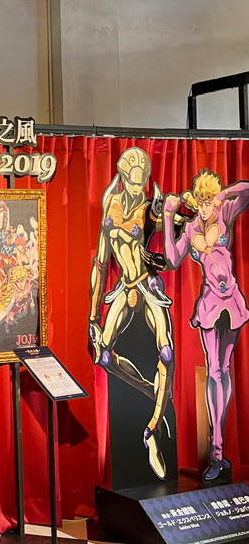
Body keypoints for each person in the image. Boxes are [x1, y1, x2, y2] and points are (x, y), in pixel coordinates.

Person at [89, 147, 175, 480]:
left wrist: (173, 214)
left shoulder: (150, 209)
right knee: (103, 356)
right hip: (124, 287)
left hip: (147, 284)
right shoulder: (110, 203)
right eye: (134, 183)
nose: (139, 189)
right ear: (124, 179)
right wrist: (93, 317)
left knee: (166, 352)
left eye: (143, 183)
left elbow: (174, 235)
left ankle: (152, 429)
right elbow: (100, 263)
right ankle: (152, 390)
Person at [164, 171, 249, 481]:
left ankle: (220, 448)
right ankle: (217, 451)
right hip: (211, 304)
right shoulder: (190, 229)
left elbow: (247, 190)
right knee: (214, 371)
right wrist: (167, 215)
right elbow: (172, 259)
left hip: (233, 301)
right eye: (200, 202)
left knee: (225, 369)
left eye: (207, 201)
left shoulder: (224, 211)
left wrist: (223, 194)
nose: (203, 207)